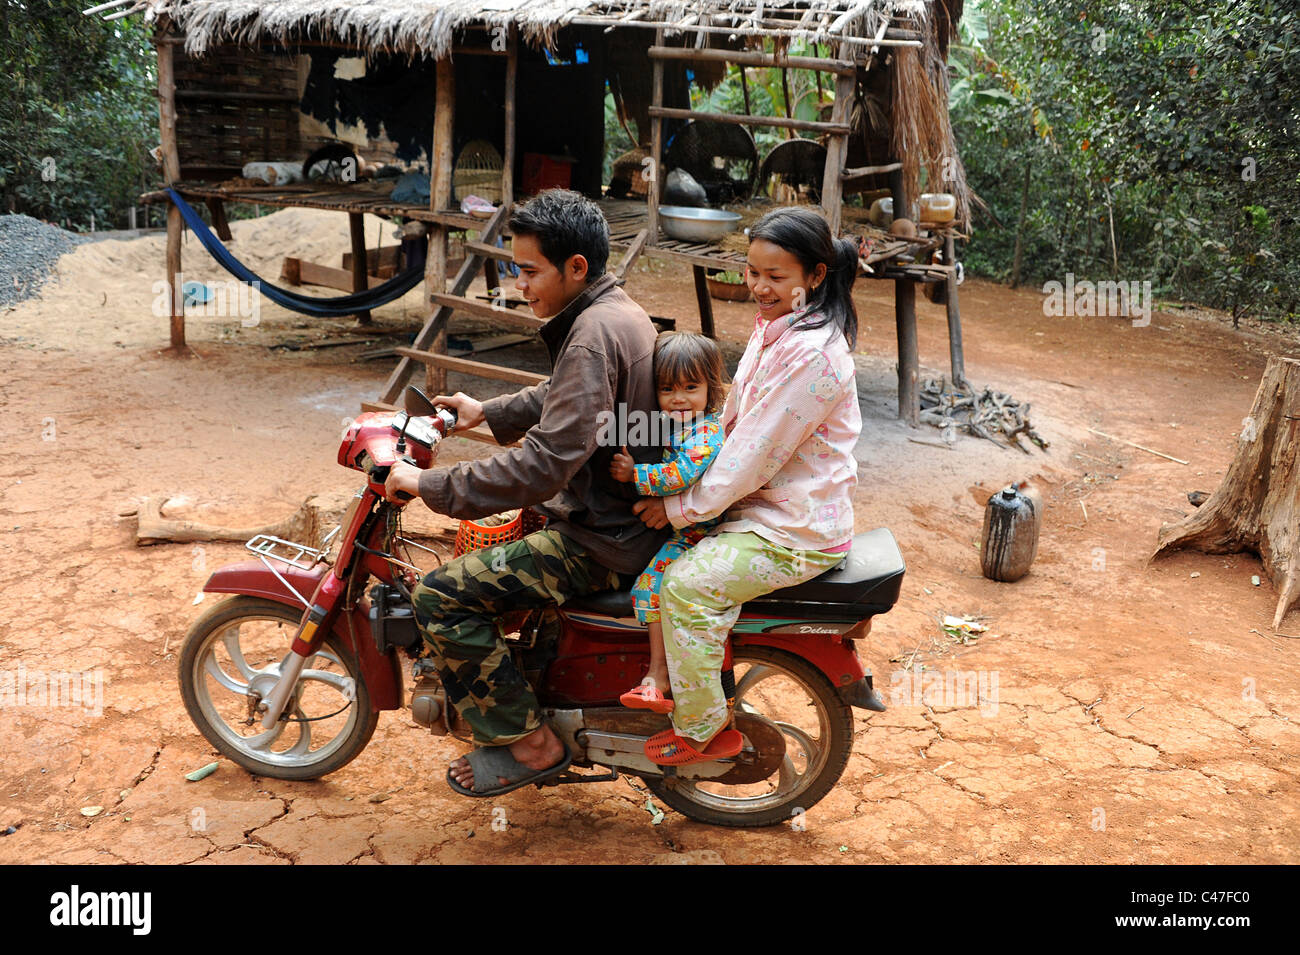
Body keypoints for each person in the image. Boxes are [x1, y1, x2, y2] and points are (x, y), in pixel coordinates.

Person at [383, 189, 667, 795]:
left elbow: (545, 465)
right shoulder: (616, 313)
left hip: (600, 540)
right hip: (620, 523)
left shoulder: (591, 334)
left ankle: (532, 744)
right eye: (515, 268)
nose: (519, 283)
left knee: (438, 596)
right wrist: (484, 411)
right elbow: (565, 398)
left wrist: (430, 484)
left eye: (529, 270)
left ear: (576, 268)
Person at [630, 206, 863, 765]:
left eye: (775, 277)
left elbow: (756, 454)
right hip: (765, 508)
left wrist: (681, 507)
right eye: (751, 271)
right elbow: (735, 420)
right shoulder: (778, 329)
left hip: (793, 528)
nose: (757, 286)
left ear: (816, 275)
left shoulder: (814, 354)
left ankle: (704, 727)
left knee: (685, 586)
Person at [608, 332, 728, 712]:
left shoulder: (706, 432)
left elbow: (682, 473)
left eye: (691, 387)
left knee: (649, 587)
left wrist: (635, 474)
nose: (679, 398)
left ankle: (658, 674)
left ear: (711, 387)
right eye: (667, 389)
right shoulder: (672, 424)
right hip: (683, 528)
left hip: (697, 534)